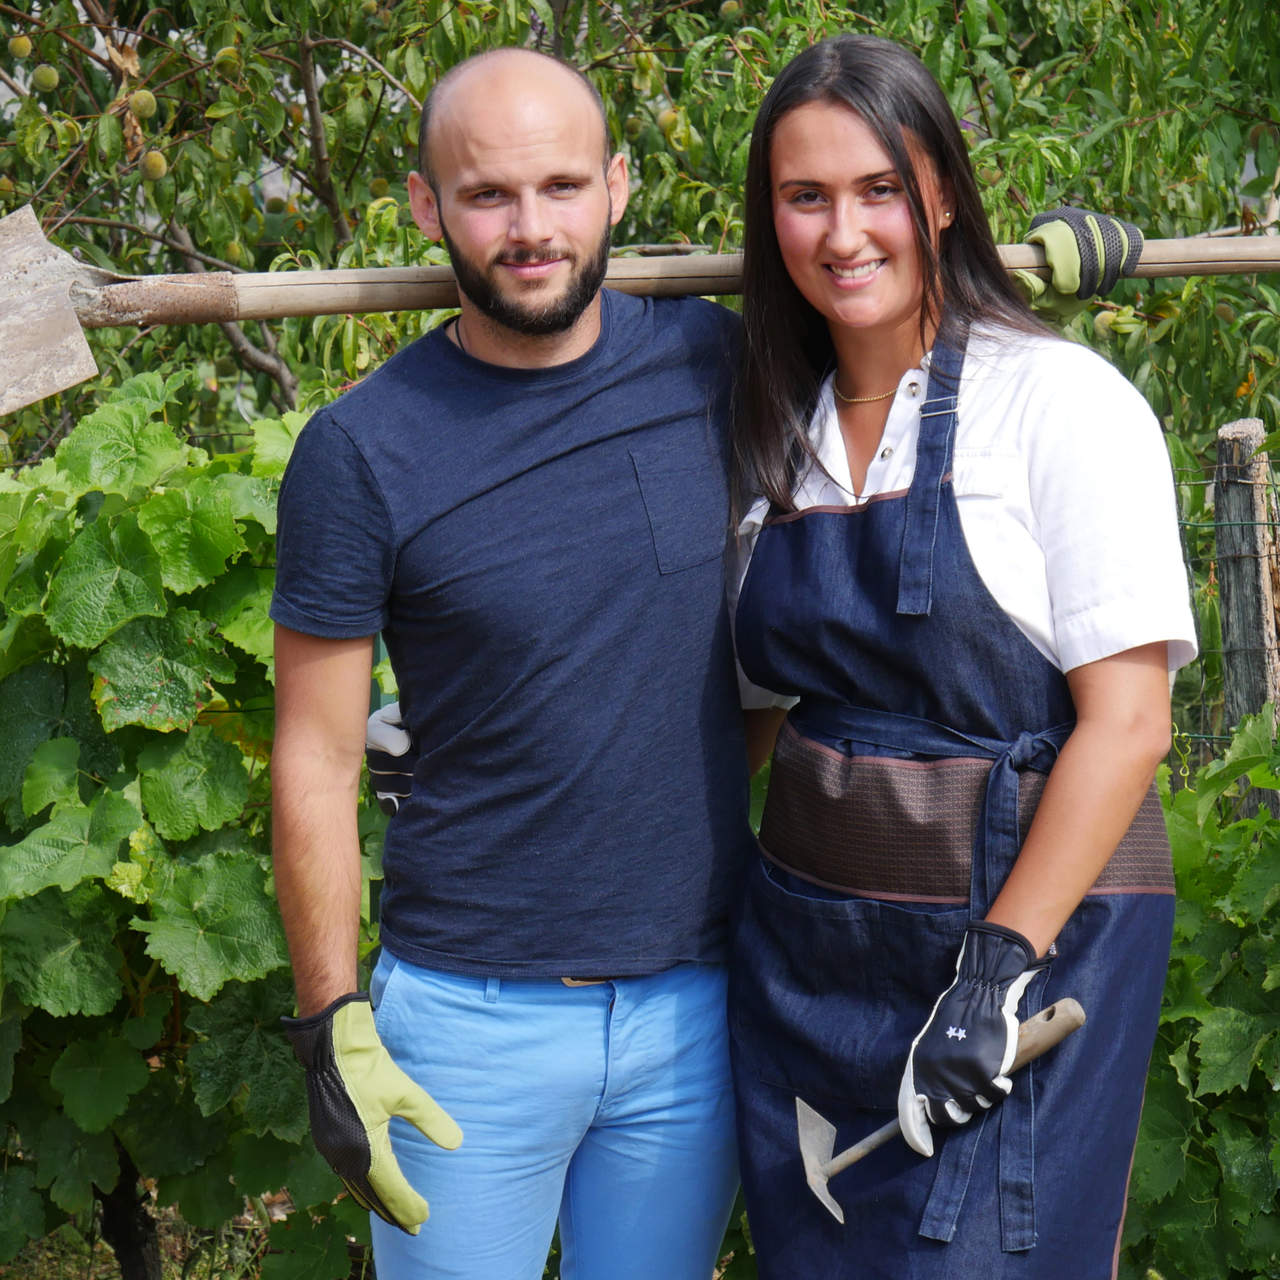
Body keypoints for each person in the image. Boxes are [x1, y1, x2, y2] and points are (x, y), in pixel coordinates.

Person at [269, 47, 754, 1280]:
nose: (531, 228)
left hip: (693, 1006)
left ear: (617, 186)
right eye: (487, 194)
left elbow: (883, 320)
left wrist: (1014, 281)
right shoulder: (361, 449)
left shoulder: (713, 364)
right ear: (425, 207)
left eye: (561, 186)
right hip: (465, 1020)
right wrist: (329, 1021)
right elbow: (316, 757)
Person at [724, 33, 1195, 1279]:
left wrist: (992, 971)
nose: (842, 234)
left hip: (1019, 959)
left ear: (938, 191)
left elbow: (1129, 722)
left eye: (877, 188)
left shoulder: (1058, 403)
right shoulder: (774, 433)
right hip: (806, 973)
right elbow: (743, 717)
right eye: (804, 196)